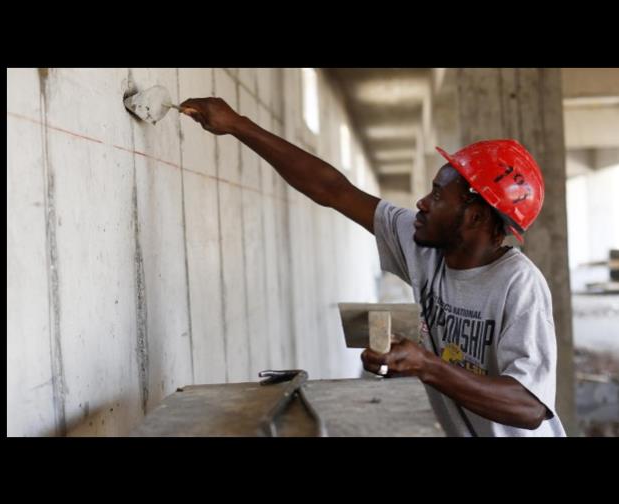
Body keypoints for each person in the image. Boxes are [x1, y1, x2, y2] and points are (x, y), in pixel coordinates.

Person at [179, 96, 566, 437]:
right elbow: (333, 190)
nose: (421, 203)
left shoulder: (518, 285)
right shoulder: (425, 248)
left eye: (436, 194)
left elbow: (529, 407)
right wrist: (237, 125)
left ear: (477, 217)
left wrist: (427, 366)